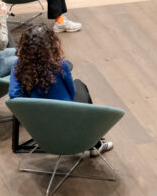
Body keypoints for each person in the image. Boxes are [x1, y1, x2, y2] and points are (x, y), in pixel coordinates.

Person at [9, 24, 113, 156]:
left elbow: (14, 95)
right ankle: (94, 145)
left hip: (37, 120)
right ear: (51, 44)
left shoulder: (17, 66)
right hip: (65, 114)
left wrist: (31, 105)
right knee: (80, 85)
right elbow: (71, 91)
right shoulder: (60, 64)